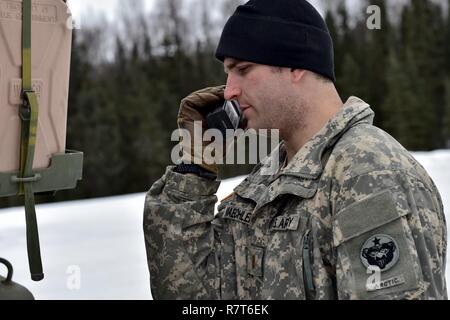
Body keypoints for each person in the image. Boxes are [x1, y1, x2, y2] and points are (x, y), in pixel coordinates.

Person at [143, 0, 447, 299]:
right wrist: (194, 167)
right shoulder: (265, 182)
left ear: (296, 66)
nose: (229, 90)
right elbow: (189, 294)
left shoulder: (367, 173)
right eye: (227, 73)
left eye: (243, 69)